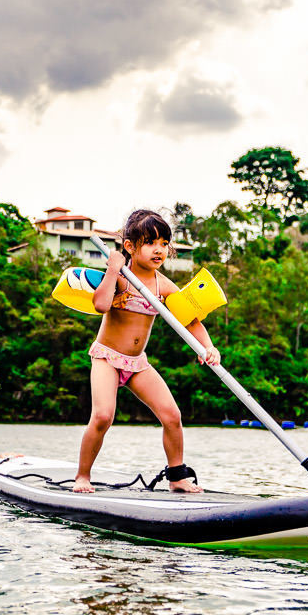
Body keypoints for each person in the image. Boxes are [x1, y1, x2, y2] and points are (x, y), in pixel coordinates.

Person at [73, 210, 220, 494]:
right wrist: (114, 268)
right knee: (103, 415)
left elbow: (190, 319)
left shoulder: (162, 285)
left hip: (137, 364)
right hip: (107, 358)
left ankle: (177, 476)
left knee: (172, 415)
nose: (159, 249)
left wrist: (208, 346)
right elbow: (101, 304)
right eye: (151, 242)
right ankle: (82, 476)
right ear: (130, 246)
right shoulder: (120, 278)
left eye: (164, 243)